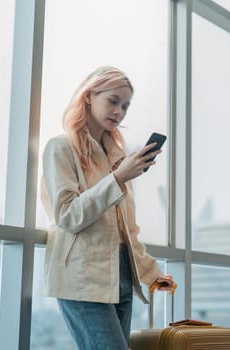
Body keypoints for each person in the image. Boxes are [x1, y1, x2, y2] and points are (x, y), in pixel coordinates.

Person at [40, 66, 175, 350]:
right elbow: (67, 215)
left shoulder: (118, 157)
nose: (119, 112)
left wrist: (151, 272)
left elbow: (126, 229)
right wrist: (118, 178)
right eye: (113, 101)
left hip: (120, 275)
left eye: (125, 106)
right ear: (89, 96)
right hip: (82, 278)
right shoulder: (60, 148)